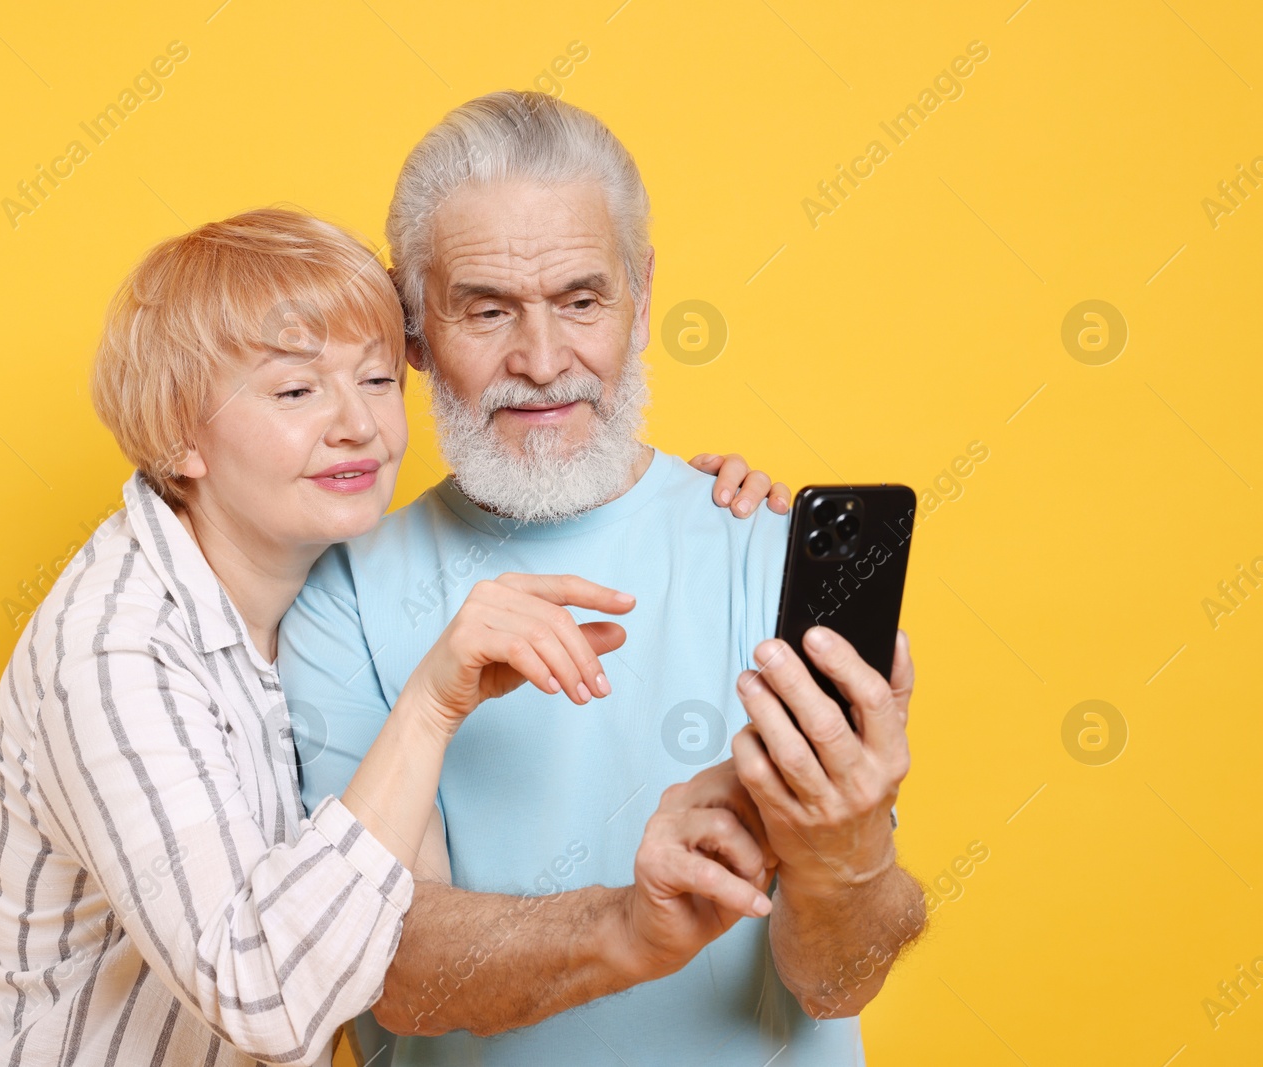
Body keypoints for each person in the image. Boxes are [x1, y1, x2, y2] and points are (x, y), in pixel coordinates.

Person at [0, 207, 785, 1066]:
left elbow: (381, 922)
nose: (358, 426)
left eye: (376, 381)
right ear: (182, 434)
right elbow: (261, 997)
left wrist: (678, 505)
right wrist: (433, 702)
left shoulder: (312, 599)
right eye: (297, 390)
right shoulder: (114, 650)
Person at [279, 91, 927, 1066]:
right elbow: (387, 969)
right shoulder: (339, 597)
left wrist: (845, 855)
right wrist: (632, 920)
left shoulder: (772, 548)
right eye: (486, 309)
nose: (542, 361)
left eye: (581, 300)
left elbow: (838, 979)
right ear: (411, 329)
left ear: (643, 293)